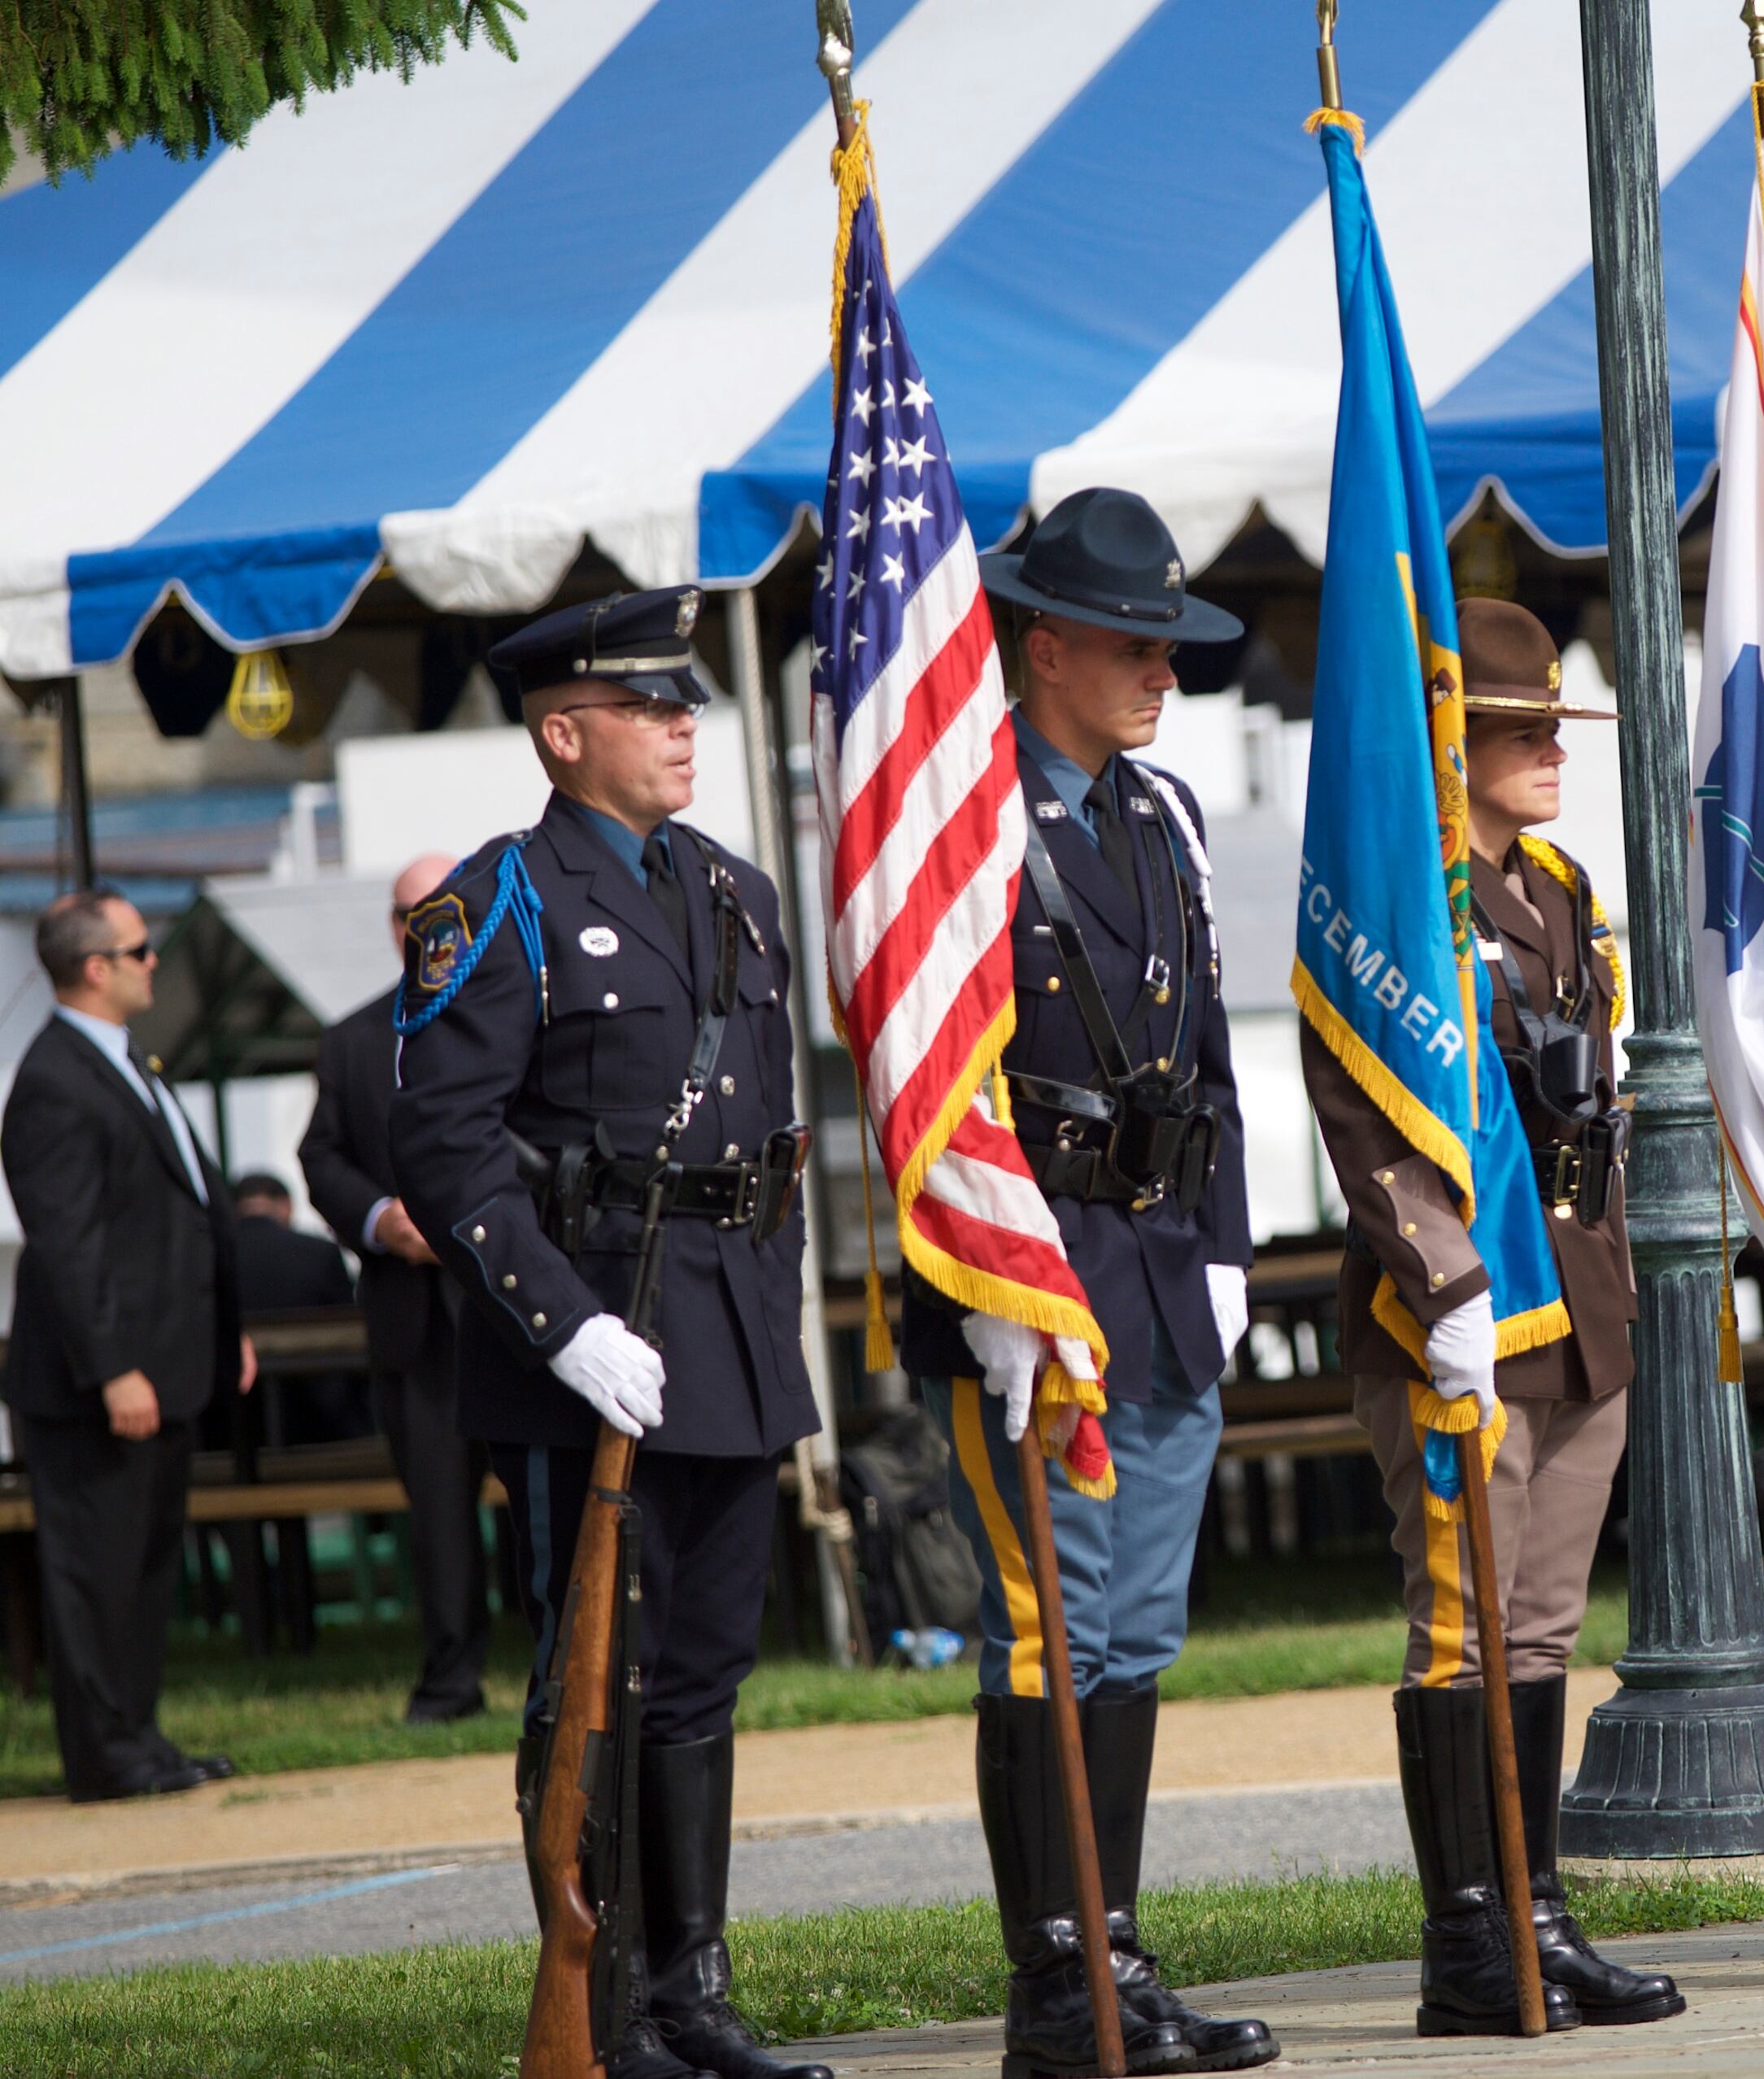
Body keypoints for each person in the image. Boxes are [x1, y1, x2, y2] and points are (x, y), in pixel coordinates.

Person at [388, 587, 830, 2079]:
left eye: (687, 703)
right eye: (651, 708)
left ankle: (693, 1991)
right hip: (598, 1338)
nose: (683, 726)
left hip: (731, 1327)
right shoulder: (501, 896)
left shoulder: (736, 892)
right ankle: (609, 1996)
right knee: (600, 1674)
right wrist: (560, 1328)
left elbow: (774, 1130)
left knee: (704, 1666)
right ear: (564, 734)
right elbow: (443, 1150)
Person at [892, 487, 1278, 2079]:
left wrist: (1238, 1245)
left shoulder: (1161, 814)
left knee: (1132, 1637)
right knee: (1051, 1632)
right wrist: (988, 1280)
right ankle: (1058, 1982)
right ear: (1042, 644)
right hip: (1029, 1280)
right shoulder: (965, 824)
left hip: (1168, 1273)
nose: (1160, 671)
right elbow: (929, 1067)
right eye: (1132, 642)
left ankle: (1114, 1952)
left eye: (1169, 645)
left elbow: (1206, 1060)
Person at [1305, 598, 1685, 2038]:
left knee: (1540, 1630)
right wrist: (1444, 1281)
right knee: (1461, 1627)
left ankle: (1537, 1911)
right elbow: (1365, 1110)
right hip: (1456, 1307)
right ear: (1448, 748)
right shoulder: (1410, 907)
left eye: (1551, 728)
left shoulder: (1562, 887)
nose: (1549, 753)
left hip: (1578, 1299)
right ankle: (1467, 1937)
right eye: (1516, 732)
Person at [0, 885, 252, 1800]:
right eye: (142, 950)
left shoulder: (123, 1063)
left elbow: (180, 1213)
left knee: (144, 1567)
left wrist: (225, 1334)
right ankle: (106, 1755)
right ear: (97, 967)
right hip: (97, 1380)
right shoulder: (55, 1081)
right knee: (98, 1571)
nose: (156, 962)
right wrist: (113, 1368)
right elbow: (69, 1244)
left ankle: (137, 1738)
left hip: (165, 1361)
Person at [303, 852, 494, 1723]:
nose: (424, 927)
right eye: (406, 912)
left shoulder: (525, 1013)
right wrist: (384, 1219)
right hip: (415, 1325)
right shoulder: (350, 1041)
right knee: (441, 1519)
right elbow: (322, 1159)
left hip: (519, 1311)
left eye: (440, 908)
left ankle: (570, 1681)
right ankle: (451, 1682)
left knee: (549, 1507)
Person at [212, 1173, 359, 1655]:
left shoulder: (213, 1255)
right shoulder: (316, 1253)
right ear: (285, 1206)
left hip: (225, 1440)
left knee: (239, 1502)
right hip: (315, 1430)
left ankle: (252, 1621)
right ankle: (297, 1619)